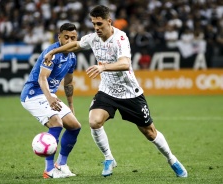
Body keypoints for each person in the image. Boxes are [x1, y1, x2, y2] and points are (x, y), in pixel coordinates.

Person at [44, 5, 188, 178]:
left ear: (109, 21)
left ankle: (172, 159)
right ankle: (109, 158)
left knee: (150, 132)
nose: (96, 28)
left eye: (99, 24)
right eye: (93, 24)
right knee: (94, 121)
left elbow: (125, 64)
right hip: (107, 91)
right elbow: (75, 45)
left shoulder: (120, 38)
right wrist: (53, 51)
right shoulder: (93, 39)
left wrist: (102, 67)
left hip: (130, 93)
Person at [20, 23, 81, 179]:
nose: (69, 40)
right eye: (66, 37)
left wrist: (71, 105)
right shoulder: (51, 53)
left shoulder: (72, 57)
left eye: (73, 38)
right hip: (34, 94)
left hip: (49, 95)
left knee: (74, 126)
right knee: (56, 122)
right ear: (59, 36)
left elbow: (68, 83)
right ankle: (48, 170)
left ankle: (61, 164)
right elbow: (42, 78)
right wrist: (49, 98)